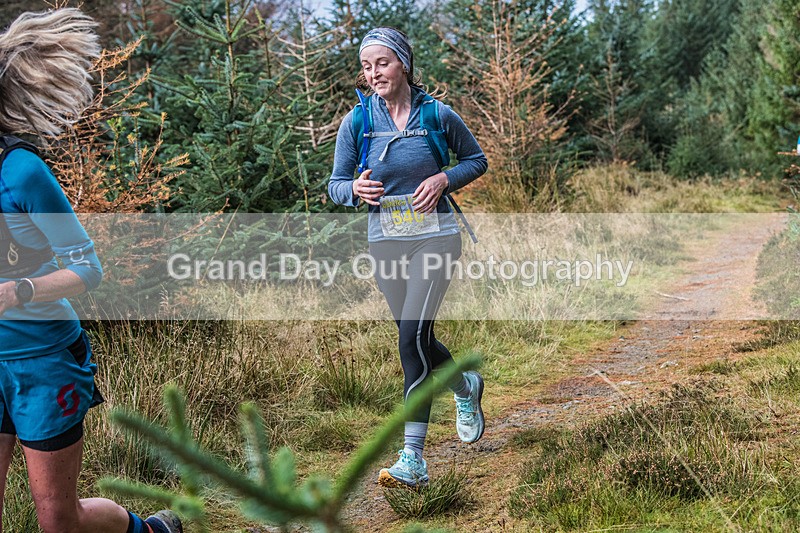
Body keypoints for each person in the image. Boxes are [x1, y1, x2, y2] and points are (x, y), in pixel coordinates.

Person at [0, 8, 181, 533]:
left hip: (42, 360)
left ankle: (150, 530)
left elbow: (88, 267)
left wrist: (19, 291)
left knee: (59, 518)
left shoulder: (21, 172)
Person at [328, 27, 489, 488]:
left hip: (436, 237)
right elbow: (335, 184)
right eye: (366, 65)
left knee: (411, 338)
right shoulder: (356, 122)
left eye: (382, 62)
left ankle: (412, 458)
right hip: (385, 242)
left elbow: (476, 160)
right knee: (414, 336)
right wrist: (353, 189)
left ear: (403, 64)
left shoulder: (437, 115)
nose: (373, 72)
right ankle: (465, 385)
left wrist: (443, 180)